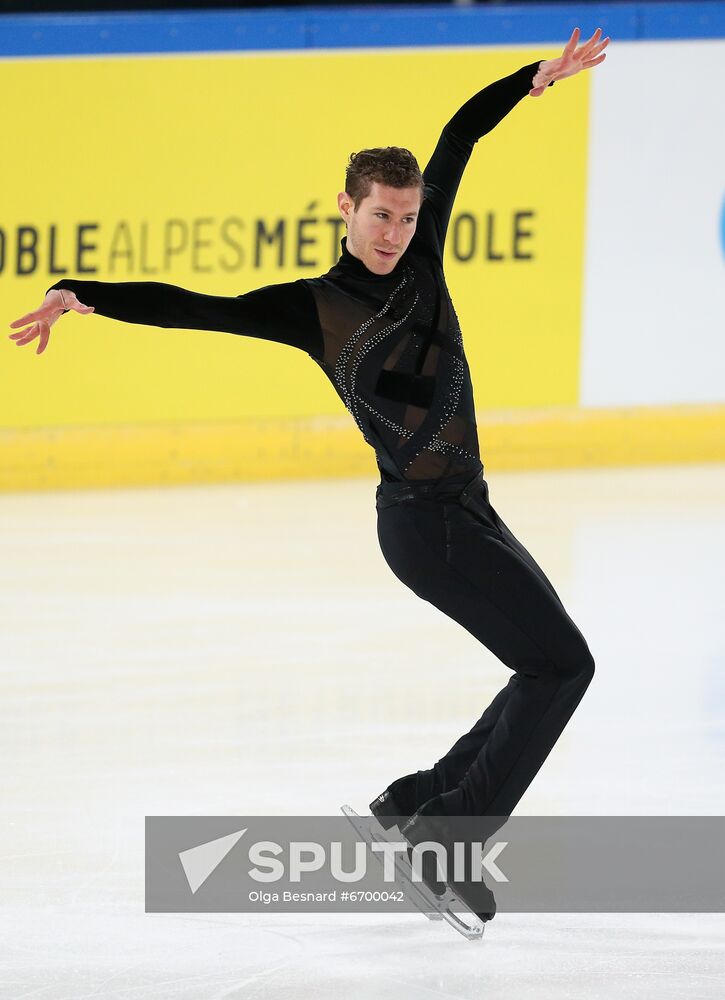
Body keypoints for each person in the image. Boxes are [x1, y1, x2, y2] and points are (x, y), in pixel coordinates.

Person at [10, 27, 608, 917]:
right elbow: (192, 308)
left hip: (465, 510)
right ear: (344, 207)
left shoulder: (423, 246)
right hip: (422, 523)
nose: (395, 233)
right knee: (562, 666)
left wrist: (533, 78)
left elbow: (459, 133)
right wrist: (83, 293)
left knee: (546, 663)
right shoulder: (312, 307)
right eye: (379, 215)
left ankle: (416, 807)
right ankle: (444, 840)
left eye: (407, 217)